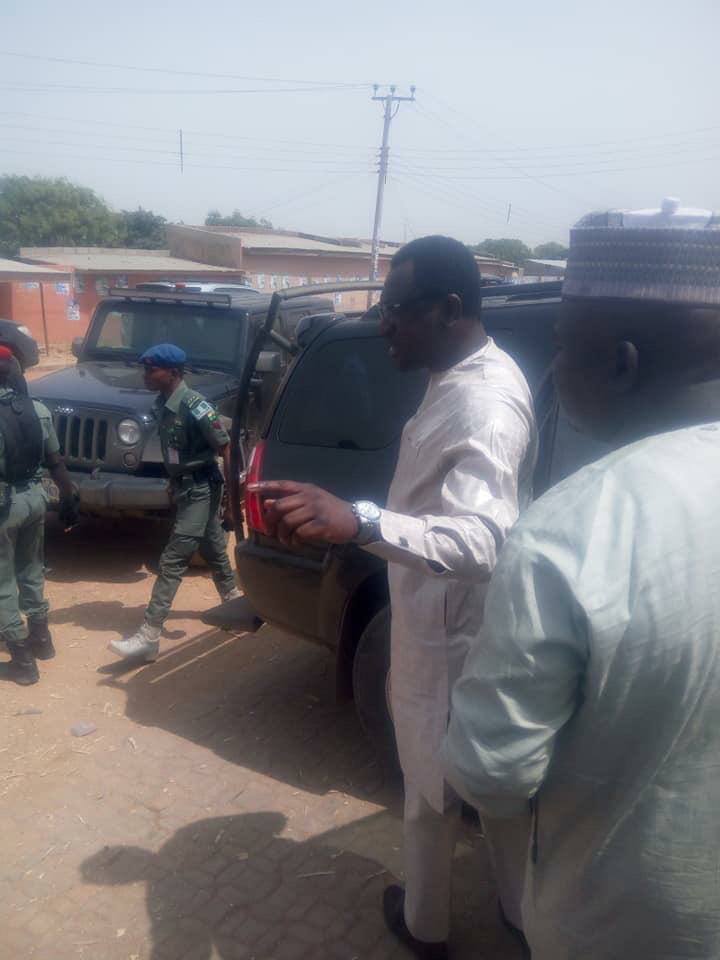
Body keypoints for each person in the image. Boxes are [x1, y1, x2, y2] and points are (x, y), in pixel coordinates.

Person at [444, 199, 720, 959]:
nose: (553, 367)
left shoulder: (573, 529)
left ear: (621, 363)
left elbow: (491, 774)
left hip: (623, 926)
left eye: (564, 344)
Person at [249, 236, 538, 959]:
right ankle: (521, 914)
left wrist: (362, 521)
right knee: (491, 791)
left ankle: (427, 926)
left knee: (432, 794)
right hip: (446, 624)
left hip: (450, 639)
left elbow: (483, 540)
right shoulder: (460, 377)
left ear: (449, 309)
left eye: (395, 309)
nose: (383, 325)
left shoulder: (485, 403)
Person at [111, 343, 240, 661]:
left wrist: (231, 502)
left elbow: (226, 449)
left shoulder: (196, 406)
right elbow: (175, 451)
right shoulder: (163, 403)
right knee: (212, 546)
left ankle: (149, 635)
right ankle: (235, 600)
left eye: (151, 370)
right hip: (185, 487)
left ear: (173, 372)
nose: (145, 375)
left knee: (173, 559)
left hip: (202, 488)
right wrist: (173, 481)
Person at [0, 345, 78, 685]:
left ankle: (21, 660)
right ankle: (42, 640)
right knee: (31, 569)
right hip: (35, 499)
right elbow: (55, 462)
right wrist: (69, 497)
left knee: (2, 581)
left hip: (4, 507)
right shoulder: (38, 409)